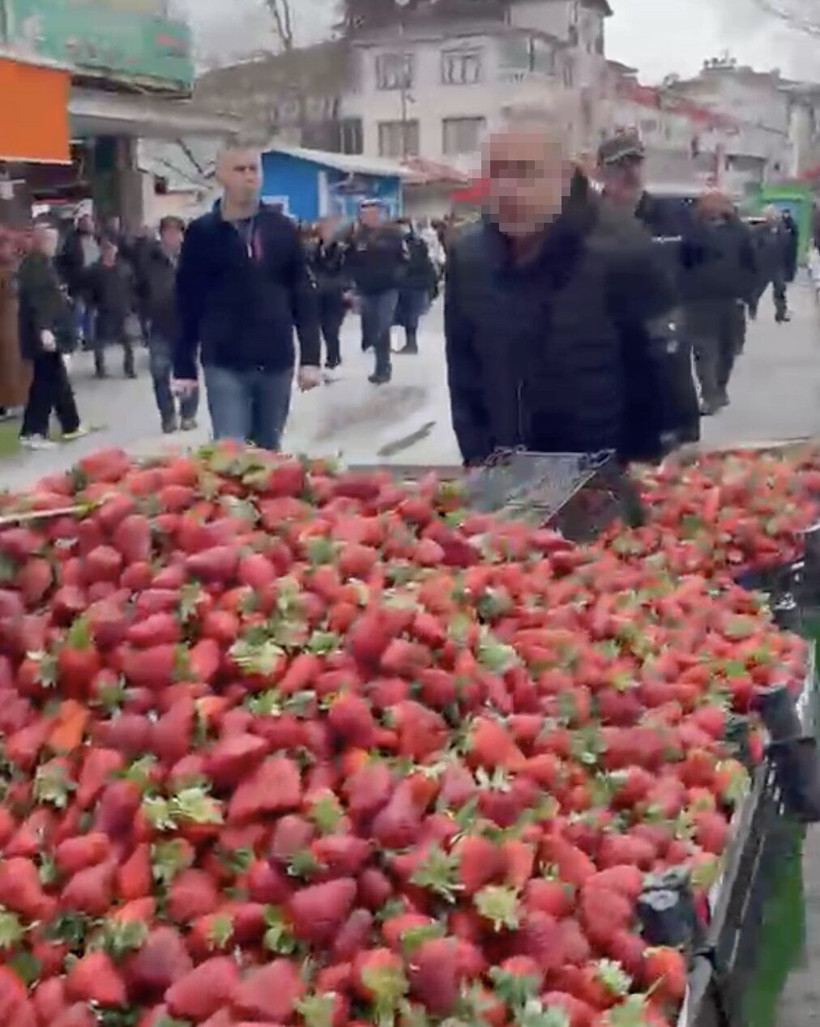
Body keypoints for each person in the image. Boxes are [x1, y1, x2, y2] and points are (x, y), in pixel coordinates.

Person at [444, 102, 674, 467]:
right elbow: (464, 377)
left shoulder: (624, 248)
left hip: (606, 479)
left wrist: (642, 474)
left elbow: (662, 381)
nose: (507, 189)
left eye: (525, 173)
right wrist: (478, 459)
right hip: (507, 482)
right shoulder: (469, 258)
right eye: (496, 173)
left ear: (565, 177)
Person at [173, 140, 322, 451]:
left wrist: (310, 358)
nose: (249, 176)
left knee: (267, 451)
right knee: (231, 450)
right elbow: (187, 301)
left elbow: (302, 293)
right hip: (224, 360)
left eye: (254, 169)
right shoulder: (202, 233)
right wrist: (184, 368)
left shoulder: (281, 228)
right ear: (221, 176)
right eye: (239, 169)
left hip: (276, 359)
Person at [598, 130, 700, 448]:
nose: (629, 172)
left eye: (635, 163)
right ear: (601, 172)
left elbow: (698, 264)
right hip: (606, 357)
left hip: (665, 357)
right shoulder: (586, 221)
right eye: (620, 165)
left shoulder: (674, 216)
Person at [680, 190, 757, 416]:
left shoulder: (740, 232)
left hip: (730, 299)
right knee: (704, 350)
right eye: (710, 203)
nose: (714, 208)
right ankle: (709, 395)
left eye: (719, 203)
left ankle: (720, 388)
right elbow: (682, 263)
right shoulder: (692, 231)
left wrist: (747, 294)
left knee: (727, 349)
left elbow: (751, 264)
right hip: (699, 301)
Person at [18, 221, 84, 449]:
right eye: (49, 239)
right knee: (44, 383)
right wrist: (45, 330)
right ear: (38, 240)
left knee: (56, 380)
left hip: (51, 331)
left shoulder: (45, 263)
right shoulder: (35, 266)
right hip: (43, 334)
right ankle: (33, 431)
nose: (53, 244)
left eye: (54, 239)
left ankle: (70, 424)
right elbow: (38, 301)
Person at [142, 216, 198, 434]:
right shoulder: (151, 260)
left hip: (185, 324)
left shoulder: (191, 259)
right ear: (162, 235)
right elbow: (139, 287)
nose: (173, 237)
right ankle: (167, 416)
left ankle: (188, 415)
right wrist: (145, 312)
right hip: (159, 324)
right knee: (159, 373)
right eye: (168, 232)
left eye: (177, 232)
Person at [346, 200, 408, 385]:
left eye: (373, 213)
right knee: (372, 327)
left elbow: (405, 259)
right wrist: (352, 285)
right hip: (366, 289)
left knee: (383, 325)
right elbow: (350, 262)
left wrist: (397, 276)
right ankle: (379, 360)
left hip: (388, 288)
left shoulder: (393, 235)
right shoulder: (357, 237)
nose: (369, 217)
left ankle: (383, 367)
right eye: (365, 214)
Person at [85, 236, 138, 379]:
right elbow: (88, 289)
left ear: (116, 249)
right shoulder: (95, 270)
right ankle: (100, 368)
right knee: (100, 341)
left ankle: (129, 368)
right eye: (106, 248)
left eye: (111, 248)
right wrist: (92, 304)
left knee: (128, 342)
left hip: (122, 309)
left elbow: (132, 286)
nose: (109, 251)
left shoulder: (124, 268)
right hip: (103, 310)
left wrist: (132, 304)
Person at [307, 216, 350, 371]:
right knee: (316, 327)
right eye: (323, 229)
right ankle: (320, 358)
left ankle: (333, 357)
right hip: (317, 293)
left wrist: (346, 289)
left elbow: (345, 271)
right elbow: (309, 268)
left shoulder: (342, 250)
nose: (326, 233)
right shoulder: (312, 249)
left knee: (331, 328)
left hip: (334, 293)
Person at [394, 219, 437, 355]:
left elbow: (418, 263)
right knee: (408, 314)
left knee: (411, 314)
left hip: (414, 284)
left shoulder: (415, 244)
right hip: (412, 283)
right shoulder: (413, 243)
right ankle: (410, 343)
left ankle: (411, 344)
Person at [58, 212, 100, 348]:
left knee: (90, 312)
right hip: (78, 281)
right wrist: (65, 278)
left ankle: (89, 339)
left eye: (90, 223)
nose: (89, 226)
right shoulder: (72, 240)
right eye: (85, 223)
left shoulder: (97, 238)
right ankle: (74, 338)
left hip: (95, 280)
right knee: (78, 311)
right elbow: (63, 260)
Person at [0, 231, 29, 420]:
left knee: (14, 365)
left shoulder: (15, 269)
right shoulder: (11, 271)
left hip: (14, 324)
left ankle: (14, 401)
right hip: (8, 323)